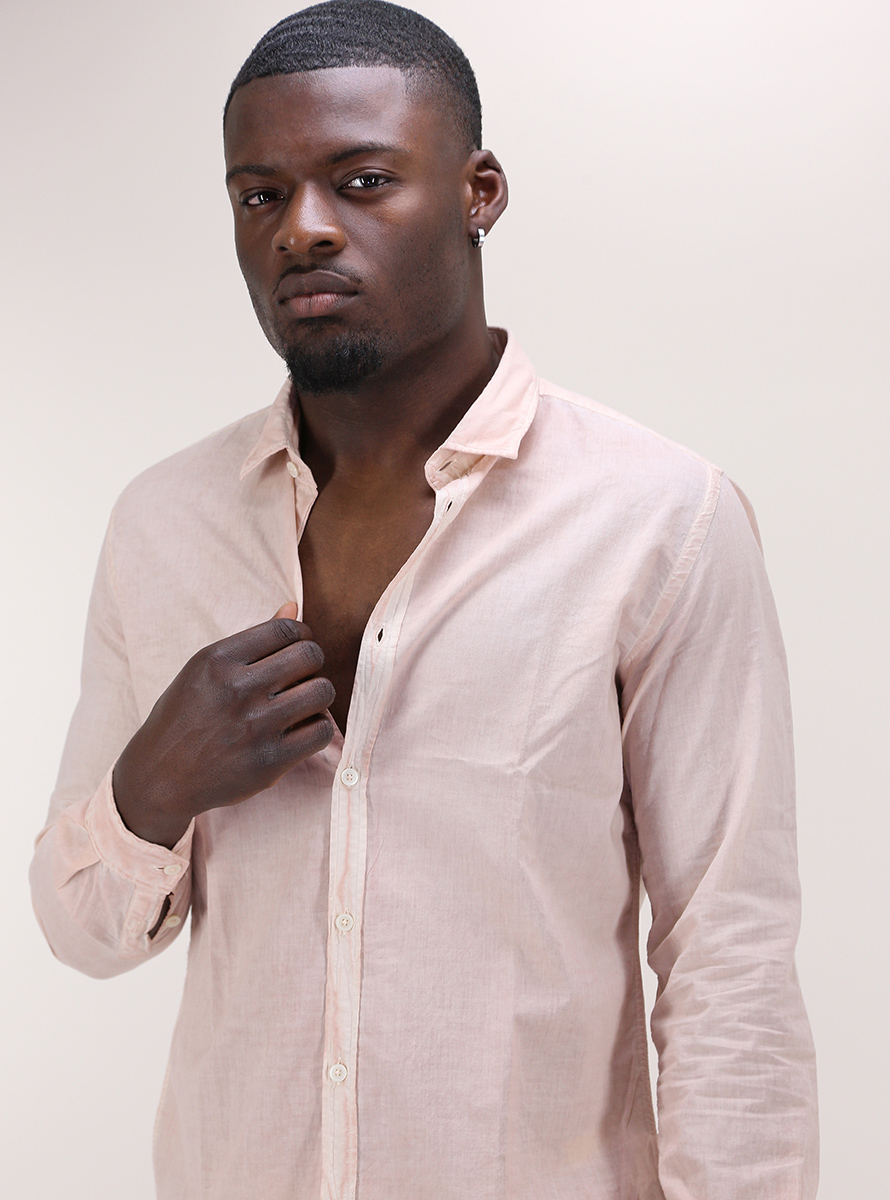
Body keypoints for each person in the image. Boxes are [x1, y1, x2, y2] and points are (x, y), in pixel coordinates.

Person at [29, 3, 818, 1197]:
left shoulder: (660, 518)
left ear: (477, 192)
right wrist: (152, 788)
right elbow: (80, 933)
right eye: (259, 195)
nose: (302, 228)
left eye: (361, 181)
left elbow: (728, 958)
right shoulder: (164, 522)